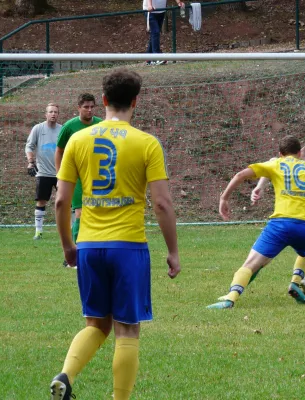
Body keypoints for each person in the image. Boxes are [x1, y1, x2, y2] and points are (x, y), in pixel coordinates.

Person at [50, 68, 181, 400]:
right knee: (127, 329)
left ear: (104, 100)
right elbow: (162, 204)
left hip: (90, 246)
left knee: (96, 324)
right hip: (129, 248)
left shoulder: (78, 139)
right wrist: (173, 251)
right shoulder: (147, 143)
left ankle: (65, 374)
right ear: (135, 102)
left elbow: (62, 200)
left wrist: (69, 245)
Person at [207, 136, 305, 309]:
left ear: (281, 154)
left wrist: (224, 198)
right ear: (299, 152)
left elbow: (240, 175)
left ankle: (231, 297)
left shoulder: (276, 164)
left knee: (251, 264)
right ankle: (296, 280)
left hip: (280, 224)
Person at [249, 145, 305, 297]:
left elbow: (272, 161)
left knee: (260, 260)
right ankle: (302, 278)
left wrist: (259, 187)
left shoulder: (291, 167)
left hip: (288, 219)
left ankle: (234, 291)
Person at [55, 93, 102, 265]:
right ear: (78, 108)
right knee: (80, 213)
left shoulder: (101, 125)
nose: (89, 110)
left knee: (96, 214)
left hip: (96, 177)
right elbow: (59, 151)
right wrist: (60, 176)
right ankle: (75, 254)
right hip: (76, 178)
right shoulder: (69, 127)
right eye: (86, 107)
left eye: (92, 107)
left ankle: (94, 251)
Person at [25, 103, 62, 240]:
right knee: (41, 201)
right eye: (50, 111)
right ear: (45, 114)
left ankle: (67, 231)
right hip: (43, 173)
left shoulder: (62, 130)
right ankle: (38, 232)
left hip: (61, 174)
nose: (53, 114)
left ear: (58, 114)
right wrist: (30, 162)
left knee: (65, 203)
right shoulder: (38, 129)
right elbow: (29, 146)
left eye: (55, 112)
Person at [143, 0, 184, 65]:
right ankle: (156, 57)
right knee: (155, 32)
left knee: (155, 34)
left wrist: (179, 2)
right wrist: (149, 5)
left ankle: (148, 58)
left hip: (161, 11)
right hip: (150, 11)